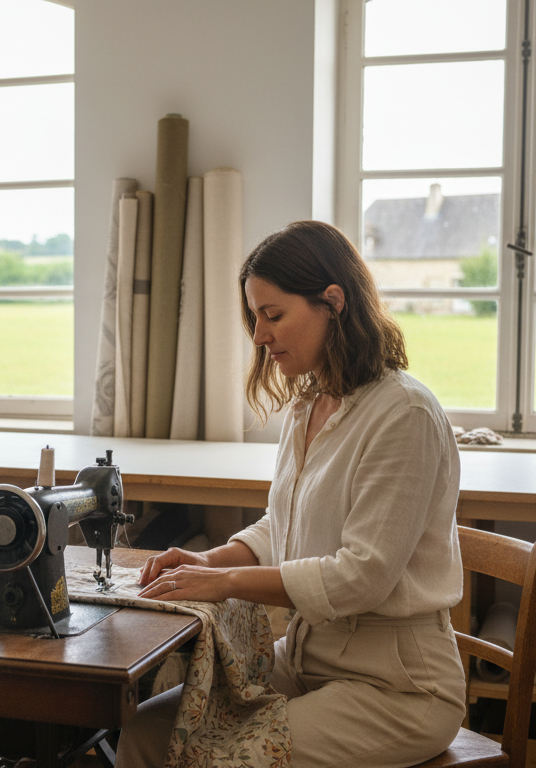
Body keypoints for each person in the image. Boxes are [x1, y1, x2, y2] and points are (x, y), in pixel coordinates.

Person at [116, 220, 466, 768]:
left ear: (333, 302)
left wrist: (223, 582)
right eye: (255, 317)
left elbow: (361, 576)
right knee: (146, 732)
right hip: (307, 660)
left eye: (272, 315)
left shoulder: (405, 414)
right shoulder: (310, 406)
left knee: (222, 753)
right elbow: (286, 526)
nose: (258, 335)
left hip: (396, 688)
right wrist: (209, 559)